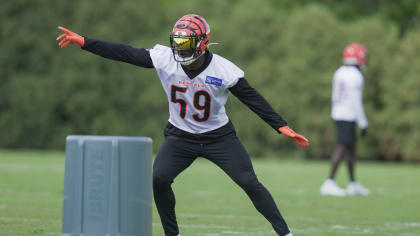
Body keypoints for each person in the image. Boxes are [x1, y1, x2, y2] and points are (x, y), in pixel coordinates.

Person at [57, 14, 308, 236]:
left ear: (203, 43)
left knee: (249, 182)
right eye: (177, 43)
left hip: (219, 137)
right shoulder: (165, 58)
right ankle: (172, 234)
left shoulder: (223, 69)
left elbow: (252, 98)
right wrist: (85, 42)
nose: (180, 50)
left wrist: (280, 125)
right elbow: (124, 53)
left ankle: (285, 233)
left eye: (186, 44)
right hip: (180, 137)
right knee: (159, 179)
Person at [320, 43, 370, 197]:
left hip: (339, 113)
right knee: (342, 148)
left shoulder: (339, 72)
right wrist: (363, 122)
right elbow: (355, 100)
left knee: (350, 149)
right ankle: (329, 182)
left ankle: (353, 183)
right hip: (348, 115)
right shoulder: (356, 76)